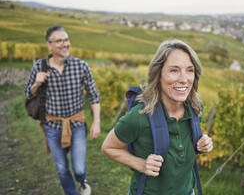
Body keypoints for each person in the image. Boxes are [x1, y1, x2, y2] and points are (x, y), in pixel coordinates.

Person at [101, 39, 213, 195]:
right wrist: (141, 164)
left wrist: (201, 144)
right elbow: (108, 147)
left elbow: (183, 145)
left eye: (190, 70)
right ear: (158, 74)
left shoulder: (195, 108)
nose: (184, 79)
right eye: (174, 70)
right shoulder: (139, 116)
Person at [24, 25, 101, 195]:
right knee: (61, 169)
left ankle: (82, 181)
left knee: (79, 169)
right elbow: (28, 94)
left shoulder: (81, 66)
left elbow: (94, 95)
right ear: (49, 45)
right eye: (59, 40)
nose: (65, 44)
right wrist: (37, 83)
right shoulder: (39, 67)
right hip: (52, 127)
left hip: (77, 124)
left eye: (66, 40)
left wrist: (96, 122)